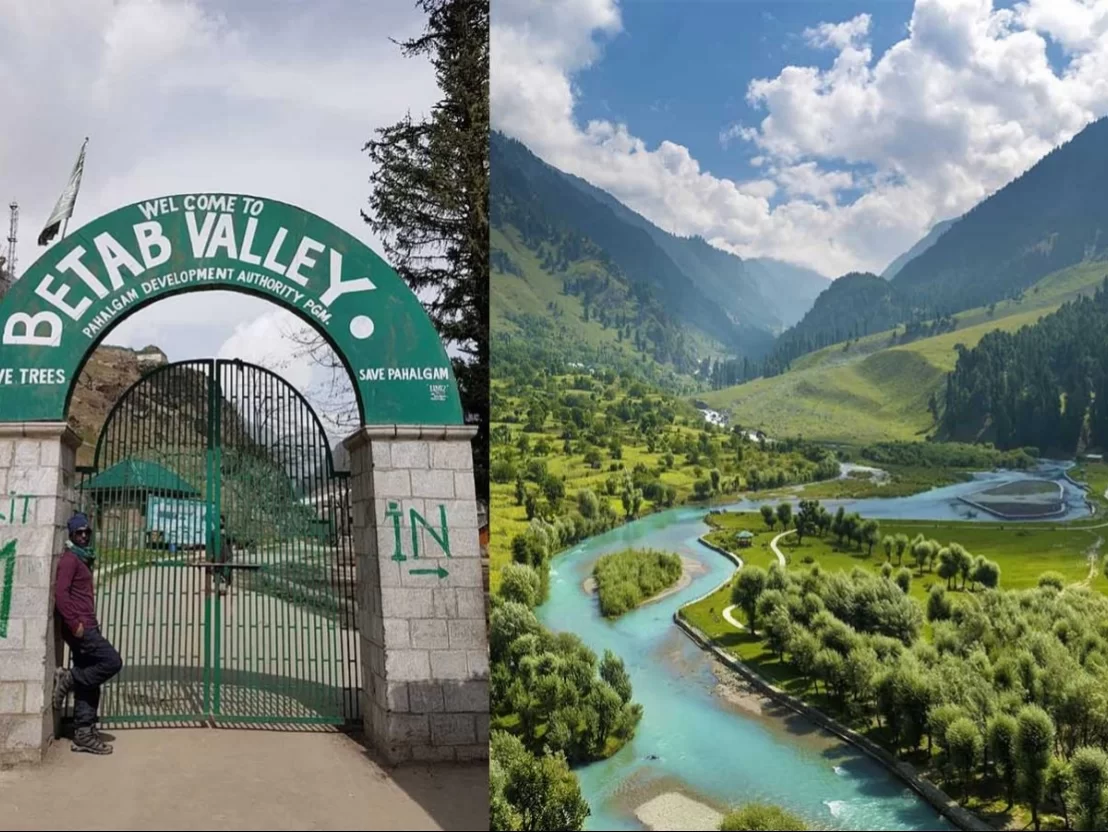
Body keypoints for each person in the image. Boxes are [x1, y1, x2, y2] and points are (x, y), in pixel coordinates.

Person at [51, 513, 123, 755]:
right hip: (81, 628)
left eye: (86, 532)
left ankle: (83, 731)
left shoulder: (82, 559)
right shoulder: (70, 560)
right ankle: (69, 678)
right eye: (78, 532)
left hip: (87, 624)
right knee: (112, 661)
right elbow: (60, 594)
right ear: (71, 534)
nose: (83, 536)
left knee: (91, 681)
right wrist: (74, 623)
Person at [215, 514, 233, 595]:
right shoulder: (215, 530)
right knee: (219, 571)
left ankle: (226, 588)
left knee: (226, 571)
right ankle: (219, 588)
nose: (220, 522)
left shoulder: (227, 530)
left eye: (221, 520)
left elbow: (232, 539)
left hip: (227, 553)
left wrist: (225, 534)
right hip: (218, 554)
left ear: (223, 521)